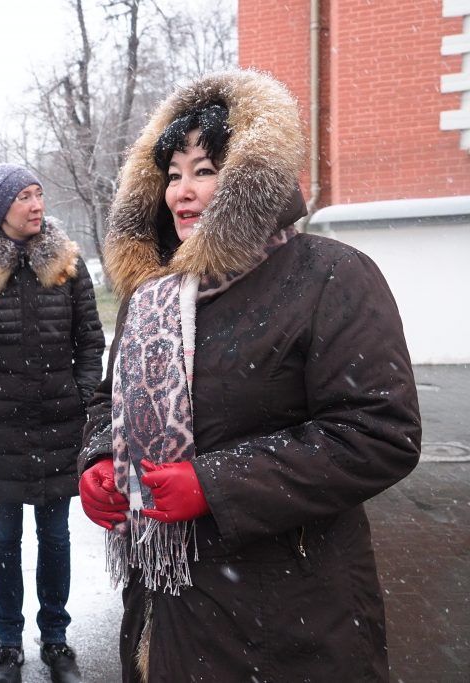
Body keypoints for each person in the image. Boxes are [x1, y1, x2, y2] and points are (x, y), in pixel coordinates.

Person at [77, 70, 421, 681]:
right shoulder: (151, 295)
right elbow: (110, 402)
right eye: (173, 173)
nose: (181, 191)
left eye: (205, 171)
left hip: (290, 615)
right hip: (163, 604)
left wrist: (214, 484)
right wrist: (102, 460)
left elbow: (378, 432)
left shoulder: (330, 275)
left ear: (248, 180)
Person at [0, 164, 105, 683]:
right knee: (4, 540)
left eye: (39, 194)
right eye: (24, 197)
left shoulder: (68, 267)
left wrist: (80, 394)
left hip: (59, 426)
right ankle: (8, 644)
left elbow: (91, 340)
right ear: (0, 209)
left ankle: (55, 639)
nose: (36, 204)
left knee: (55, 538)